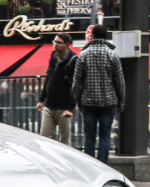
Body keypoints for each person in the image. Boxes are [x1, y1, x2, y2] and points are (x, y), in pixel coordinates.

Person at [72, 24, 126, 163]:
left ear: (92, 36)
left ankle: (91, 165)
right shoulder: (113, 55)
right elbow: (120, 82)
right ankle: (103, 165)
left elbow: (77, 83)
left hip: (88, 102)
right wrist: (120, 103)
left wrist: (79, 101)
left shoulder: (83, 55)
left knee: (89, 137)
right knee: (105, 136)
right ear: (106, 37)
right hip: (108, 101)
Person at [37, 32, 77, 144]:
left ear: (67, 44)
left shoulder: (73, 60)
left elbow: (75, 85)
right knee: (44, 138)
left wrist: (70, 108)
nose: (55, 44)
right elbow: (49, 77)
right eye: (54, 41)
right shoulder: (53, 56)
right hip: (49, 105)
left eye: (59, 43)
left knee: (64, 140)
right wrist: (41, 99)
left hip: (63, 107)